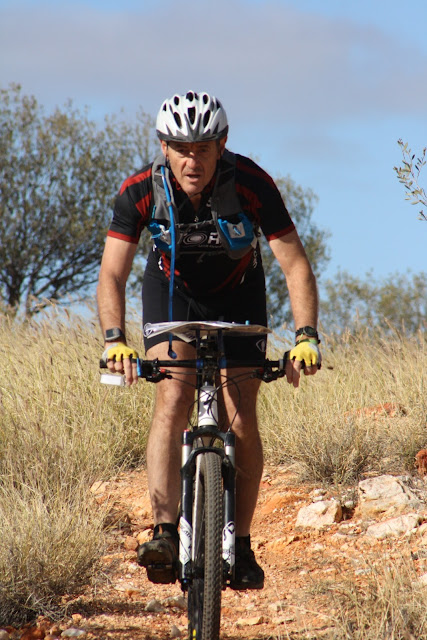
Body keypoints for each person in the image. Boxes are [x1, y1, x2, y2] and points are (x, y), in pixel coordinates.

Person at [97, 90, 321, 590]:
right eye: (180, 148)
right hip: (171, 295)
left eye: (202, 148)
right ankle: (163, 532)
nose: (191, 160)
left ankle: (241, 545)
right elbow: (112, 273)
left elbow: (295, 265)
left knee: (239, 411)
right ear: (163, 146)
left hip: (240, 295)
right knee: (173, 394)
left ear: (222, 145)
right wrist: (114, 340)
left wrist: (306, 336)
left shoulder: (253, 184)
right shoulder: (139, 190)